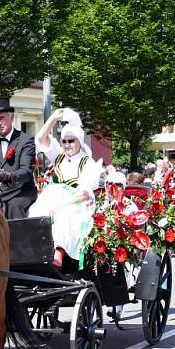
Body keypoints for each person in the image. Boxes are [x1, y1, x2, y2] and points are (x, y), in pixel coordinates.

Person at [30, 107, 101, 266]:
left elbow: (83, 193)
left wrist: (59, 206)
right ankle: (37, 252)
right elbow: (41, 138)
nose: (67, 144)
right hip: (54, 195)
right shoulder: (59, 156)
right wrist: (53, 119)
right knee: (35, 212)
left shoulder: (87, 162)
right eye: (64, 141)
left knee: (63, 216)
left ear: (79, 141)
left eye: (71, 140)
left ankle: (58, 256)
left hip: (78, 202)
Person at [0, 95, 37, 218]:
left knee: (14, 205)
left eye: (1, 118)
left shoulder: (26, 140)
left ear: (11, 117)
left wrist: (8, 176)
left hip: (20, 193)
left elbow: (26, 172)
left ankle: (19, 237)